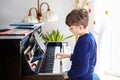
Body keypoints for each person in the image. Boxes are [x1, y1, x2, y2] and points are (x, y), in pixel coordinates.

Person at [56, 8, 98, 80]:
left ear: (80, 27)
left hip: (82, 77)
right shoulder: (88, 36)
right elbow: (81, 57)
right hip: (82, 74)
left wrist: (69, 75)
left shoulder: (85, 42)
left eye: (71, 28)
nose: (70, 30)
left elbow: (83, 69)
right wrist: (67, 55)